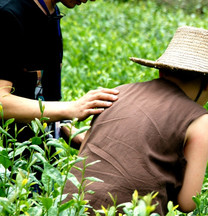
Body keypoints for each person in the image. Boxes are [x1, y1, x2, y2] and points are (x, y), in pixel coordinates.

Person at [63, 25, 208, 216]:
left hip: (68, 213)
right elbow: (189, 202)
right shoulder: (199, 119)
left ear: (161, 71)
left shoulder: (116, 94)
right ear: (207, 83)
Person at [0, 0, 119, 146]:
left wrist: (71, 131)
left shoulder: (52, 12)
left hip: (43, 158)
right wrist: (71, 108)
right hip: (9, 161)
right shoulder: (8, 14)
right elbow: (1, 101)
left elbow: (43, 96)